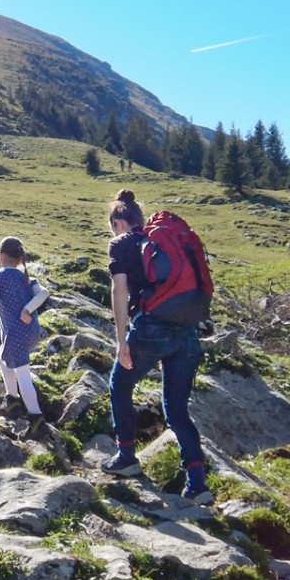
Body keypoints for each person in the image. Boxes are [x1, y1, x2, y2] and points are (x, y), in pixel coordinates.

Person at [101, 190, 213, 503]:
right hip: (187, 332)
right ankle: (197, 484)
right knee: (177, 411)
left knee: (119, 386)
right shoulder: (162, 242)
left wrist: (121, 338)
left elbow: (119, 291)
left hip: (150, 328)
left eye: (113, 227)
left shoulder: (121, 244)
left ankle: (126, 457)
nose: (113, 232)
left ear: (120, 222)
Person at [0, 236, 50, 420]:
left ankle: (37, 420)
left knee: (23, 375)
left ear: (0, 256)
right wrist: (28, 309)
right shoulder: (27, 278)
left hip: (17, 335)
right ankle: (12, 399)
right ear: (20, 259)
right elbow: (45, 293)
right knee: (2, 358)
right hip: (31, 331)